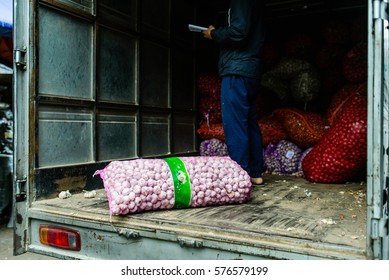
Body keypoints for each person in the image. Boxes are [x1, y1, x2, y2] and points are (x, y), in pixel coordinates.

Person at [202, 0, 266, 185]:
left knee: (236, 123)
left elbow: (239, 32)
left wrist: (214, 34)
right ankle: (255, 173)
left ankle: (240, 176)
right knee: (249, 122)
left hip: (237, 70)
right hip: (250, 71)